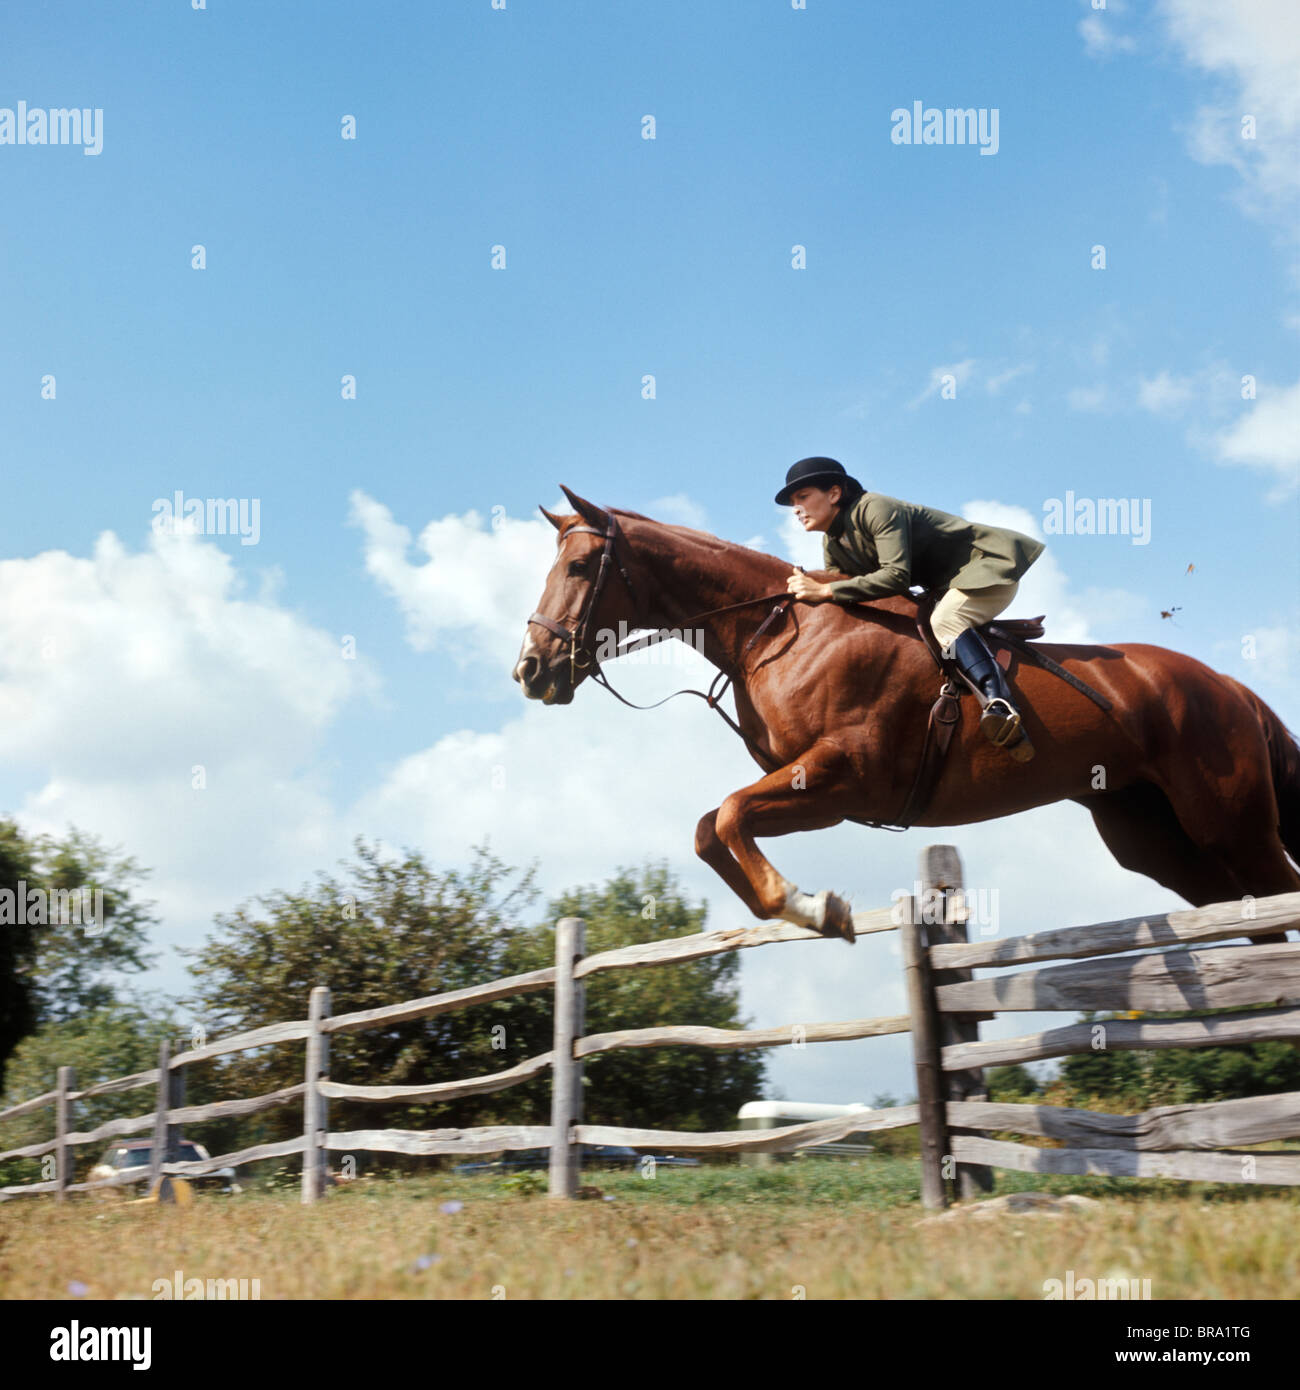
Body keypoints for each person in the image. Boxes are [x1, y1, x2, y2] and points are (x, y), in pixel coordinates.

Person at [775, 456, 1043, 760]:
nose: (796, 509)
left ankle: (1001, 704)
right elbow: (847, 599)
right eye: (793, 502)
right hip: (945, 588)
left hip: (987, 569)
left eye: (803, 497)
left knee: (945, 620)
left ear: (834, 493)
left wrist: (824, 589)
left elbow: (895, 577)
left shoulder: (875, 508)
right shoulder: (833, 543)